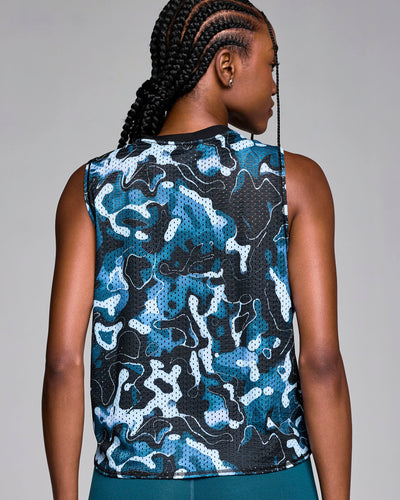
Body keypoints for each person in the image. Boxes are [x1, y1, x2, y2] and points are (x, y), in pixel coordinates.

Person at [41, 1, 352, 499]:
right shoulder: (293, 182)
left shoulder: (92, 186)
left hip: (132, 482)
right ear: (227, 66)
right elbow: (321, 363)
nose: (274, 86)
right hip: (267, 477)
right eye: (270, 66)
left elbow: (62, 362)